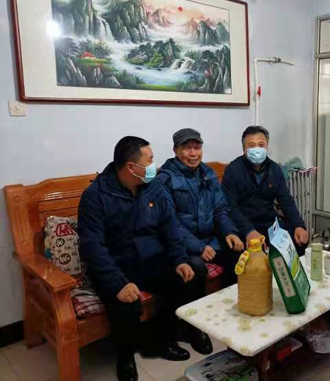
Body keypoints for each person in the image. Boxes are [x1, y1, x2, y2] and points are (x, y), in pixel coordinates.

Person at [78, 136, 212, 381]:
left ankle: (163, 341)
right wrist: (118, 283)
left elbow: (170, 228)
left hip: (151, 259)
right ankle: (125, 357)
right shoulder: (95, 196)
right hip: (116, 265)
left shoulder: (153, 187)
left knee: (189, 274)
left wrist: (179, 259)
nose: (154, 166)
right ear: (131, 167)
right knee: (126, 303)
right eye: (149, 160)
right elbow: (92, 247)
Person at [158, 128, 244, 291]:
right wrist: (198, 247)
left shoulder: (208, 174)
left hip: (211, 240)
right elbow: (170, 223)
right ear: (175, 150)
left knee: (239, 253)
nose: (193, 154)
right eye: (187, 148)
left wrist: (230, 232)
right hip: (183, 246)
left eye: (197, 148)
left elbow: (220, 209)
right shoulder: (165, 179)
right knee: (196, 267)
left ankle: (229, 302)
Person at [222, 126, 309, 251]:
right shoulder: (233, 170)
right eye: (252, 145)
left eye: (261, 145)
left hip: (269, 224)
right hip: (242, 225)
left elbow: (286, 200)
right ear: (244, 149)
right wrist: (249, 231)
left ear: (267, 147)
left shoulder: (274, 169)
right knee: (238, 251)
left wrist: (299, 225)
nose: (257, 149)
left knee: (299, 241)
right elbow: (231, 207)